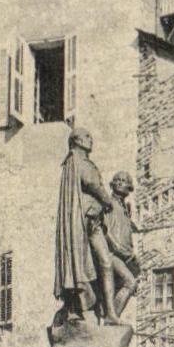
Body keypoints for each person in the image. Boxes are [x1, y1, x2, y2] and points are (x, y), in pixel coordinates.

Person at [53, 127, 116, 324]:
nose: (91, 139)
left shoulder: (70, 164)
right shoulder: (81, 162)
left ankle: (99, 310)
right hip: (90, 223)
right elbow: (93, 184)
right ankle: (110, 313)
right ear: (77, 140)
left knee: (97, 264)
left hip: (85, 223)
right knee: (106, 263)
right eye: (87, 136)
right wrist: (109, 202)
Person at [88, 170, 141, 322]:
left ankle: (110, 318)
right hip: (112, 254)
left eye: (126, 181)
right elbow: (105, 231)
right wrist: (118, 249)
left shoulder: (125, 209)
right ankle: (111, 319)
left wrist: (131, 255)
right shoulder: (108, 204)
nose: (123, 184)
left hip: (124, 256)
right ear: (115, 184)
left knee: (125, 286)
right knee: (130, 283)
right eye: (120, 180)